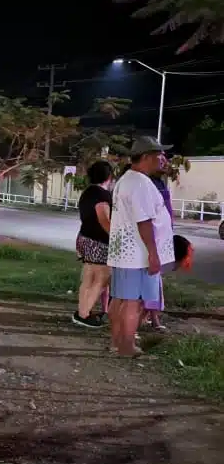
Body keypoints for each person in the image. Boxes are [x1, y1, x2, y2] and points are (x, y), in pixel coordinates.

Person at [107, 137, 176, 357]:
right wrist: (153, 255)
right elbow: (144, 221)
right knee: (132, 303)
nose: (163, 159)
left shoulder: (127, 179)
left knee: (120, 299)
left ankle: (117, 343)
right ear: (146, 156)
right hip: (137, 255)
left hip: (125, 253)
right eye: (159, 155)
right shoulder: (140, 183)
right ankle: (126, 346)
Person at [72, 160, 114, 328]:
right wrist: (116, 238)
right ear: (109, 176)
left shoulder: (87, 192)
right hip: (99, 242)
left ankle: (82, 311)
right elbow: (104, 219)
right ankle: (84, 314)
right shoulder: (102, 195)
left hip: (85, 237)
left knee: (89, 277)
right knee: (101, 279)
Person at [142, 163, 175, 332]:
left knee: (154, 281)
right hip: (149, 242)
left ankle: (150, 317)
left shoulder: (160, 183)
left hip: (160, 240)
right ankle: (147, 318)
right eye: (160, 160)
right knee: (149, 280)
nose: (165, 164)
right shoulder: (146, 183)